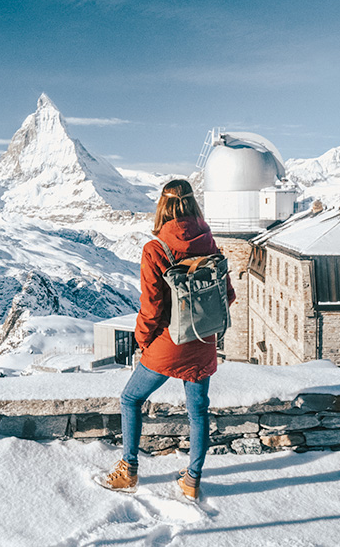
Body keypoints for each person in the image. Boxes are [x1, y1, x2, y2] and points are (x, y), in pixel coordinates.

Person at [98, 179, 235, 500]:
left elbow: (152, 307)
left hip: (168, 343)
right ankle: (192, 480)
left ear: (162, 207)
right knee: (198, 412)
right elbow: (226, 295)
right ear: (193, 205)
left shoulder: (156, 248)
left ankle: (128, 470)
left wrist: (143, 341)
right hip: (203, 341)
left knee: (131, 399)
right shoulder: (210, 243)